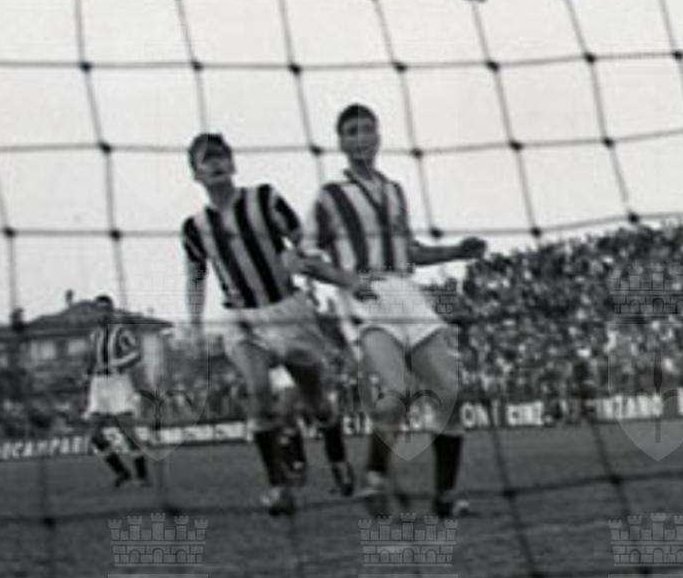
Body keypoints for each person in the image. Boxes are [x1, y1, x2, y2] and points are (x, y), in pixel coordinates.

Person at [308, 104, 486, 519]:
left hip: (407, 292)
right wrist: (346, 279)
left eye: (367, 129)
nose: (361, 137)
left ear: (378, 136)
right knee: (398, 389)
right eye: (352, 131)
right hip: (365, 293)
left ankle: (445, 498)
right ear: (340, 142)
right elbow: (304, 257)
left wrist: (456, 251)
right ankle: (374, 479)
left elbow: (411, 252)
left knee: (449, 392)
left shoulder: (394, 191)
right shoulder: (330, 196)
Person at [180, 132, 355, 516]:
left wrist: (302, 259)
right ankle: (279, 487)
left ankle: (337, 455)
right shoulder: (194, 228)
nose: (215, 163)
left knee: (316, 401)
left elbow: (303, 244)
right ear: (195, 174)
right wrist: (193, 325)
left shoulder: (265, 199)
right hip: (242, 318)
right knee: (258, 389)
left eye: (221, 155)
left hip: (288, 310)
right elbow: (195, 278)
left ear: (232, 163)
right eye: (206, 159)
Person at [84, 294, 152, 488]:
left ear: (111, 311)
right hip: (98, 385)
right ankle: (121, 472)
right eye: (99, 310)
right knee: (94, 435)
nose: (102, 314)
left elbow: (136, 354)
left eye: (106, 310)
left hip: (118, 383)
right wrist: (88, 369)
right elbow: (92, 359)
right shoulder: (94, 335)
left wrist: (116, 364)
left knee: (127, 431)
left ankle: (142, 475)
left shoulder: (121, 332)